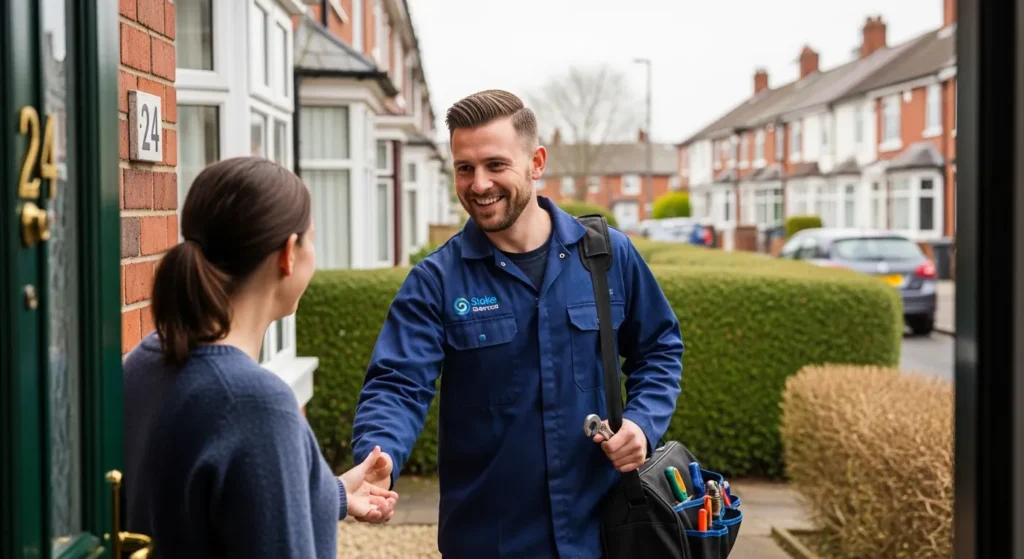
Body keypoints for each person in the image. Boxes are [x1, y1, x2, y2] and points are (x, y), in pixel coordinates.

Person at [350, 90, 684, 558]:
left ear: (536, 162)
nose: (478, 183)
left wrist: (643, 424)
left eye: (495, 165)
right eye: (464, 168)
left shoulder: (606, 258)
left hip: (604, 535)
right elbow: (397, 384)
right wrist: (378, 455)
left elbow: (659, 348)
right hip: (490, 541)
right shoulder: (436, 281)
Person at [122, 156, 398, 558]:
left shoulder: (148, 359)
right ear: (288, 254)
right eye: (312, 239)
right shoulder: (255, 403)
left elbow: (216, 509)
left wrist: (332, 492)